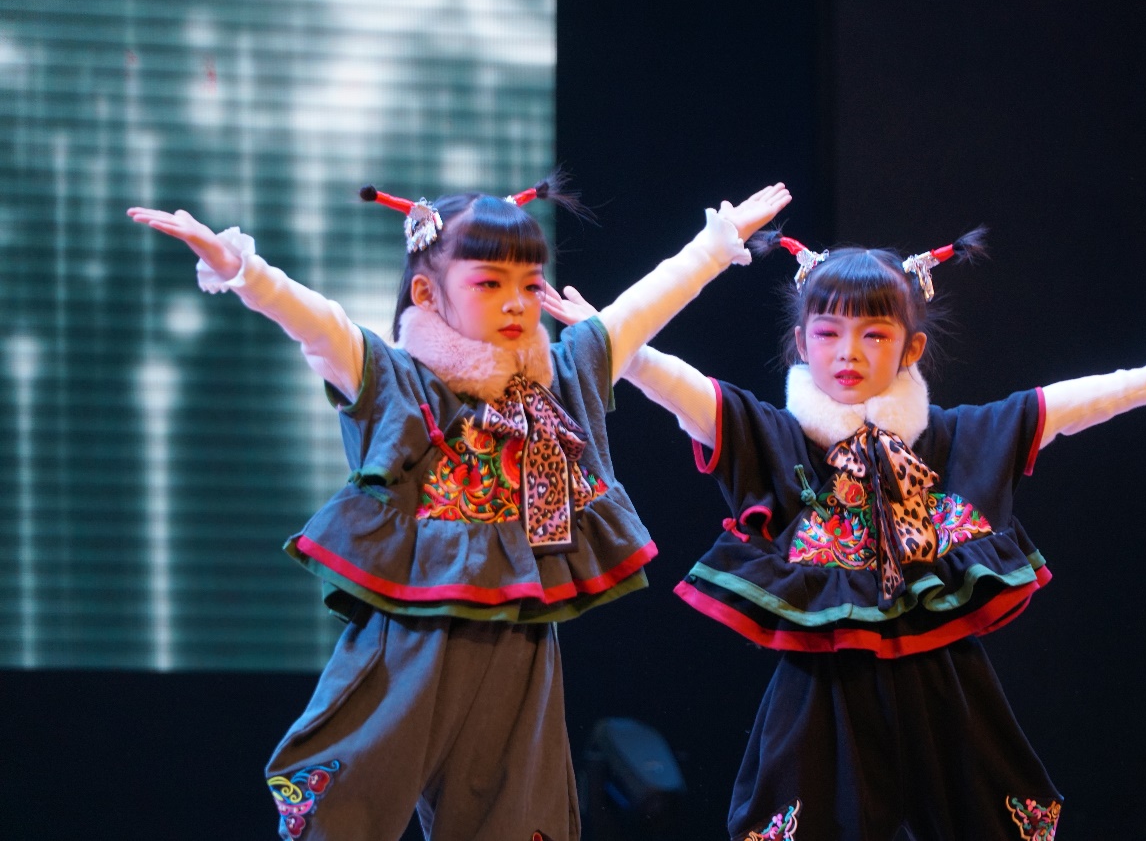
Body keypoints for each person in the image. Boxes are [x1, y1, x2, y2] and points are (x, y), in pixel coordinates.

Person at [126, 175, 790, 841]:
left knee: (515, 816)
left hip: (519, 638)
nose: (516, 303)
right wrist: (242, 270)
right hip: (412, 635)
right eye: (489, 283)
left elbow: (635, 311)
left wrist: (713, 247)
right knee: (347, 805)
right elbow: (320, 325)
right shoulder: (396, 380)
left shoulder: (559, 380)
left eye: (529, 284)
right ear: (425, 293)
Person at [544, 226, 1146, 841]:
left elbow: (1053, 408)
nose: (848, 352)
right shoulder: (777, 437)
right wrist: (614, 345)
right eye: (828, 333)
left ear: (911, 348)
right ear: (801, 342)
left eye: (874, 334)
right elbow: (686, 390)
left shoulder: (950, 440)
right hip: (824, 685)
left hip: (943, 684)